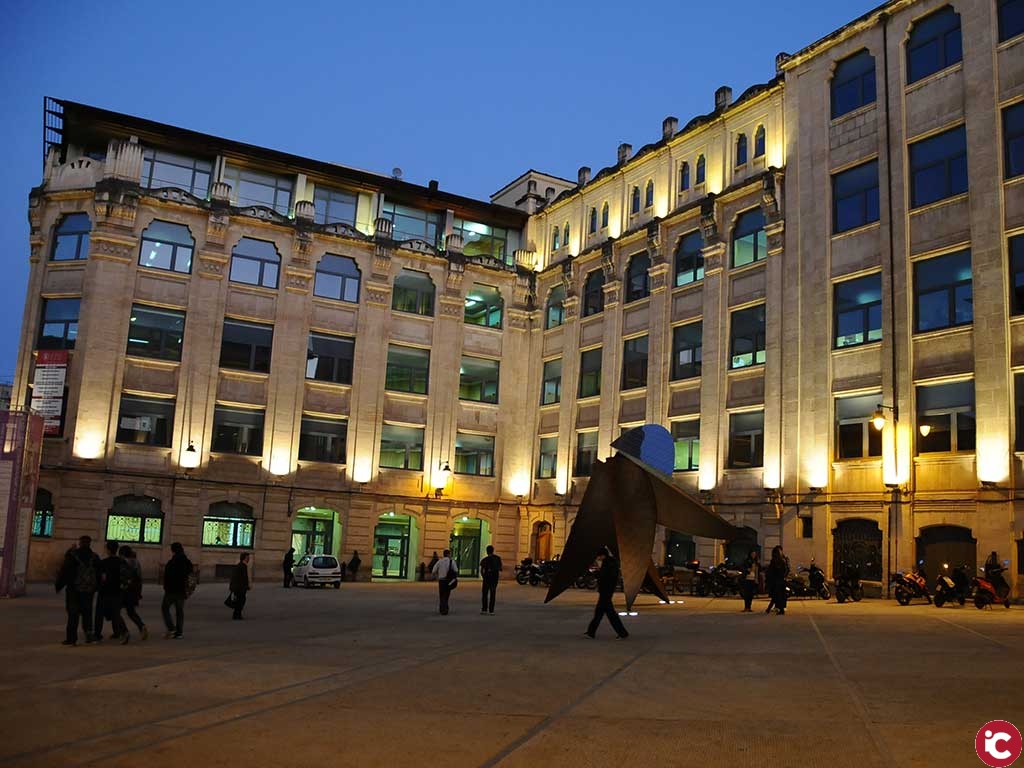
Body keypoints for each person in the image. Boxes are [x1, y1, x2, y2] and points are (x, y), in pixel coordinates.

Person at [55, 535, 101, 646]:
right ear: (89, 543)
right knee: (87, 612)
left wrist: (59, 585)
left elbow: (65, 570)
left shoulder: (73, 555)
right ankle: (89, 635)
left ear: (80, 543)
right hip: (88, 590)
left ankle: (71, 638)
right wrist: (96, 587)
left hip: (73, 589)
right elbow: (99, 573)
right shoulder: (95, 557)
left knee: (73, 614)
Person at [585, 547, 629, 639]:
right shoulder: (611, 562)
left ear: (602, 555)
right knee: (600, 612)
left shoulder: (608, 563)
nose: (598, 558)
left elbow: (604, 576)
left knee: (607, 614)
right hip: (607, 590)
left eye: (599, 556)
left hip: (606, 591)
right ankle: (591, 631)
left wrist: (596, 573)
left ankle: (622, 633)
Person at [94, 540, 129, 644]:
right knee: (116, 613)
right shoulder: (122, 562)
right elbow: (127, 576)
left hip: (105, 591)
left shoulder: (104, 563)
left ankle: (97, 635)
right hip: (117, 591)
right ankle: (123, 631)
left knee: (99, 614)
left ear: (108, 550)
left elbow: (100, 577)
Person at [161, 542, 193, 639]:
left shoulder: (172, 562)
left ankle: (171, 628)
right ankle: (179, 632)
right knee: (179, 611)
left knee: (165, 608)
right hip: (182, 590)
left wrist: (166, 587)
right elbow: (190, 573)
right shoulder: (186, 561)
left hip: (171, 590)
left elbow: (167, 576)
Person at [119, 545, 148, 640]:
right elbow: (139, 579)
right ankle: (141, 626)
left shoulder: (122, 563)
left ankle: (123, 631)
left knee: (116, 612)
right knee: (131, 612)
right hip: (133, 591)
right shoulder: (136, 562)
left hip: (124, 590)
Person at [431, 549, 458, 615]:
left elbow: (433, 571)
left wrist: (436, 577)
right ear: (448, 554)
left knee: (441, 595)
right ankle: (445, 608)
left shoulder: (440, 561)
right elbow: (456, 570)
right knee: (447, 594)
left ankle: (442, 608)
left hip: (441, 581)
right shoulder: (452, 562)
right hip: (449, 581)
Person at [479, 545, 503, 615]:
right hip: (494, 578)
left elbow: (482, 570)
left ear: (487, 551)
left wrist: (484, 577)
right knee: (493, 594)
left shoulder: (485, 559)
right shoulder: (498, 559)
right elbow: (500, 569)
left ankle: (484, 609)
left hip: (487, 578)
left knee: (485, 594)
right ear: (493, 551)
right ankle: (491, 610)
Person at [766, 545, 789, 615]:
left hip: (776, 580)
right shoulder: (782, 560)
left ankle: (780, 610)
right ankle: (770, 609)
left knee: (777, 595)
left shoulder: (775, 561)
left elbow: (771, 571)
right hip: (780, 580)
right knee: (777, 595)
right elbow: (786, 570)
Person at [229, 553, 252, 620]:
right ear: (244, 558)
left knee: (240, 601)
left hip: (239, 587)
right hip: (239, 588)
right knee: (240, 601)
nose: (249, 559)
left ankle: (237, 614)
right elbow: (242, 578)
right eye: (247, 558)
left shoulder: (241, 565)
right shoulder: (242, 566)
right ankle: (237, 615)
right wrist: (246, 586)